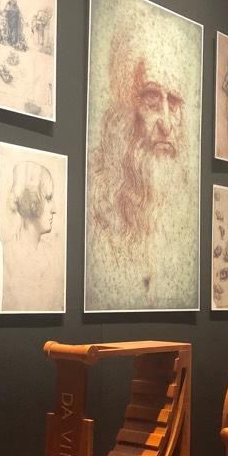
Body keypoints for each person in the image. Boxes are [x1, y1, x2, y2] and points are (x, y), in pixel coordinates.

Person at [86, 26, 197, 308]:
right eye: (151, 99)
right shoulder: (95, 197)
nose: (166, 123)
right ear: (126, 106)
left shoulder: (184, 203)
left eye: (174, 103)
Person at [1, 161, 60, 311]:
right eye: (48, 198)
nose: (54, 209)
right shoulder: (6, 255)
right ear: (31, 201)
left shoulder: (52, 256)